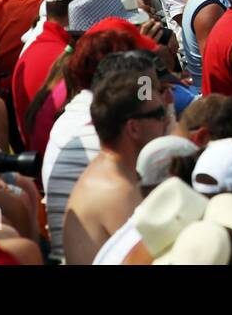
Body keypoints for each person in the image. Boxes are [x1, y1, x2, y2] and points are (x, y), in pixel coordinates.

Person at [62, 66, 170, 265]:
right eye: (159, 113)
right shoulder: (118, 191)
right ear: (133, 128)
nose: (167, 120)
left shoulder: (113, 171)